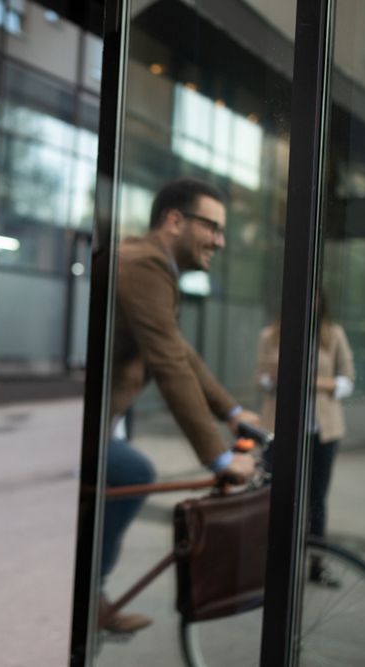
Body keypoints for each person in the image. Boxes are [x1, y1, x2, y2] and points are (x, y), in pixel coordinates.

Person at [99, 178, 260, 633]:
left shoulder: (152, 266)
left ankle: (91, 594)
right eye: (213, 227)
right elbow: (169, 364)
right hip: (79, 429)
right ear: (174, 220)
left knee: (126, 473)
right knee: (132, 472)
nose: (221, 241)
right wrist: (220, 458)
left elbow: (180, 351)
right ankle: (90, 596)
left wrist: (232, 413)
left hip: (100, 423)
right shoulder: (144, 264)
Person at [256, 292, 354, 585]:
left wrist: (314, 382)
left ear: (321, 303)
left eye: (313, 299)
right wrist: (276, 379)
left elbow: (347, 381)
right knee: (272, 494)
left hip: (322, 432)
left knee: (316, 500)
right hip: (280, 428)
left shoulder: (334, 335)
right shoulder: (271, 335)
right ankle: (268, 562)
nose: (307, 303)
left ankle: (317, 564)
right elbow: (260, 377)